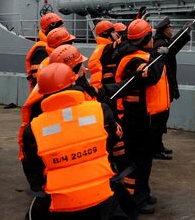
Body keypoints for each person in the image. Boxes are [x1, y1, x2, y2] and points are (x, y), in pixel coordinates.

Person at [21, 63, 129, 220]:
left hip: (61, 204)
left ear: (42, 93)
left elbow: (32, 168)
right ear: (73, 82)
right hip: (102, 196)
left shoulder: (33, 128)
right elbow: (115, 140)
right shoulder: (100, 110)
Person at [114, 19, 169, 214]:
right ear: (146, 39)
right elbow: (150, 76)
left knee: (144, 159)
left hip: (141, 117)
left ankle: (143, 193)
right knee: (138, 161)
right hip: (134, 119)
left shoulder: (139, 55)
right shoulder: (135, 60)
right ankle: (135, 198)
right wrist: (159, 56)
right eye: (151, 36)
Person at [151, 17, 192, 160]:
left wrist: (184, 31)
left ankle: (158, 146)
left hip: (165, 88)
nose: (172, 29)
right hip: (161, 90)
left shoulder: (163, 42)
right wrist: (184, 32)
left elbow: (172, 45)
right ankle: (155, 149)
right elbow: (173, 48)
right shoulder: (159, 44)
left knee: (162, 120)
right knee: (158, 120)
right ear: (164, 29)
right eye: (170, 28)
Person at [25, 12, 64, 90]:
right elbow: (39, 80)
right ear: (51, 30)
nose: (63, 30)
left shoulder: (56, 46)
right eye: (60, 27)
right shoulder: (40, 50)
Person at [89, 20, 121, 90]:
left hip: (101, 87)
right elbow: (122, 42)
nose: (117, 34)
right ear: (106, 34)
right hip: (104, 89)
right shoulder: (106, 48)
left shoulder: (101, 48)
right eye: (113, 32)